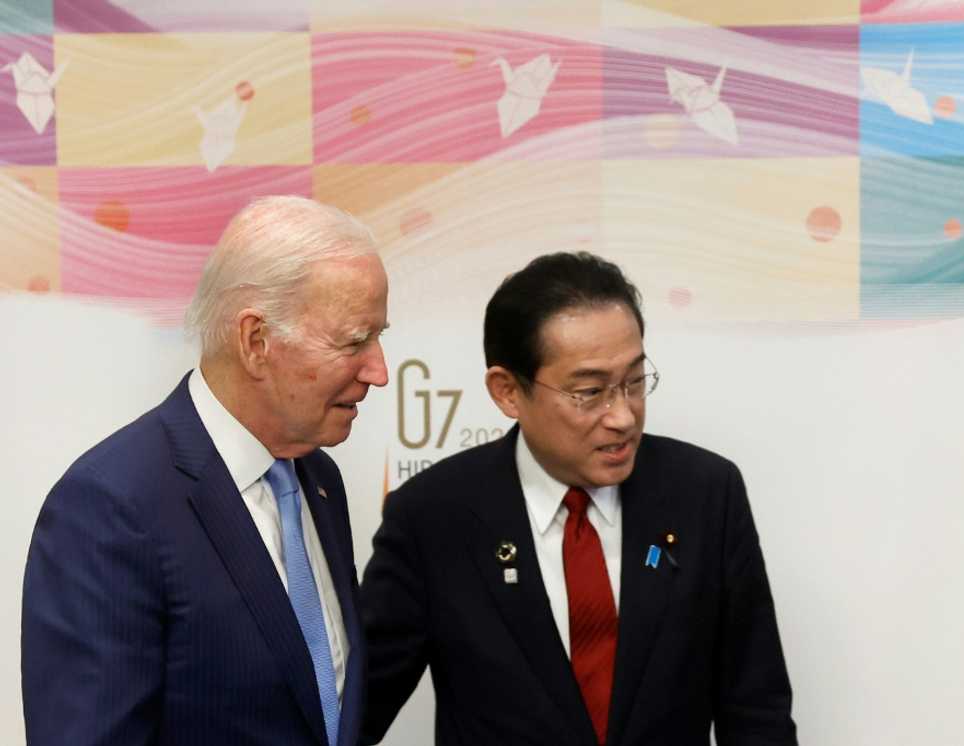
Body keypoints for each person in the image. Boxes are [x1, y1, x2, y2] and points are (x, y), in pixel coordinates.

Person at [359, 252, 796, 745]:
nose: (623, 416)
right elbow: (356, 711)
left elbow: (757, 712)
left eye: (634, 382)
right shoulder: (433, 515)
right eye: (589, 392)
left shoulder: (704, 494)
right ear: (507, 392)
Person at [21, 195, 390, 746]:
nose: (379, 370)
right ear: (255, 341)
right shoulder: (110, 507)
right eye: (355, 340)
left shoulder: (319, 480)